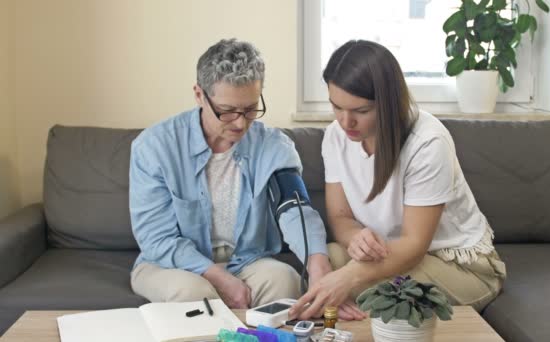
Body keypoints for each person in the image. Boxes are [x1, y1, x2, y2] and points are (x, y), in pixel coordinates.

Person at [289, 40, 507, 320]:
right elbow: (340, 216)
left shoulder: (427, 141)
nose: (345, 122)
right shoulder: (335, 136)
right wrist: (355, 238)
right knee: (322, 263)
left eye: (361, 111)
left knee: (368, 293)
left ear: (389, 102)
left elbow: (414, 246)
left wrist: (348, 279)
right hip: (391, 256)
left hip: (457, 265)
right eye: (336, 107)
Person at [129, 39, 333, 309]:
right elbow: (157, 239)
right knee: (193, 294)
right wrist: (218, 277)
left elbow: (295, 210)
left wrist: (317, 263)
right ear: (199, 95)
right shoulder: (154, 147)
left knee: (284, 279)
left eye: (250, 110)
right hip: (170, 266)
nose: (240, 123)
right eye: (226, 112)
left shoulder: (274, 146)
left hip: (247, 260)